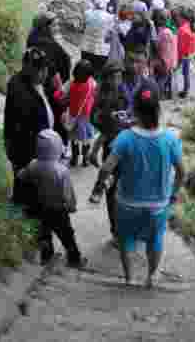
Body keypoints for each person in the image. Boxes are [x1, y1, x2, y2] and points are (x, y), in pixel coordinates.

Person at [90, 81, 185, 288]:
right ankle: (151, 277)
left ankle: (130, 278)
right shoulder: (170, 138)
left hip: (127, 203)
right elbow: (181, 172)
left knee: (126, 239)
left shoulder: (125, 138)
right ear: (158, 108)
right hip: (158, 205)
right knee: (155, 239)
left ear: (135, 109)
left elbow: (106, 166)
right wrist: (173, 194)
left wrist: (100, 183)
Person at [4, 48, 69, 212]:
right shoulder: (19, 89)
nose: (44, 73)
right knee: (27, 186)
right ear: (27, 68)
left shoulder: (39, 82)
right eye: (40, 69)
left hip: (43, 147)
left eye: (45, 68)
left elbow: (49, 101)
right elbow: (23, 127)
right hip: (29, 150)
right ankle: (23, 212)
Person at [17, 129, 87, 267]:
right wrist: (71, 206)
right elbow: (68, 193)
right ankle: (74, 259)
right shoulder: (61, 170)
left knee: (44, 234)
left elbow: (21, 176)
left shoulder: (33, 165)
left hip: (39, 207)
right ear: (57, 147)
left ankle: (46, 257)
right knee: (66, 235)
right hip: (58, 209)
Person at [89, 61, 134, 238]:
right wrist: (109, 118)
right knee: (113, 192)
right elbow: (95, 119)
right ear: (106, 79)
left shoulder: (123, 91)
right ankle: (116, 231)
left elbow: (130, 111)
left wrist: (126, 117)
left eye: (119, 76)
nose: (117, 80)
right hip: (112, 144)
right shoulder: (101, 96)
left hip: (125, 143)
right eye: (114, 77)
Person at [63, 59, 97, 167]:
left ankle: (75, 158)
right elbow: (96, 95)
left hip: (75, 115)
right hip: (85, 116)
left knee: (75, 139)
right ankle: (84, 158)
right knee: (85, 139)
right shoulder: (92, 83)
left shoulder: (72, 83)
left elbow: (63, 94)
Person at [27, 11, 71, 85]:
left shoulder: (32, 36)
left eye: (58, 25)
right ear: (44, 27)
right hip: (48, 84)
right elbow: (65, 62)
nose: (57, 28)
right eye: (54, 25)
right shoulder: (50, 45)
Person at [80, 0, 114, 76]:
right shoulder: (109, 17)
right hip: (101, 50)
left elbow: (82, 28)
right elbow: (109, 36)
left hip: (86, 47)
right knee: (97, 73)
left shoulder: (87, 13)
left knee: (84, 71)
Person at [152, 9, 178, 98]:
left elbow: (161, 49)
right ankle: (167, 95)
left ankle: (159, 96)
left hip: (164, 61)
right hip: (169, 61)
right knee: (166, 80)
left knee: (161, 81)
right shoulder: (170, 31)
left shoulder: (163, 33)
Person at [173, 9, 195, 98]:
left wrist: (178, 59)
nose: (177, 19)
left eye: (178, 17)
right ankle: (187, 90)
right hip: (191, 54)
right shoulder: (190, 26)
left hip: (184, 55)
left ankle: (184, 91)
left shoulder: (181, 30)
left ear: (182, 18)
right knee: (187, 74)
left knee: (183, 74)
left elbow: (180, 47)